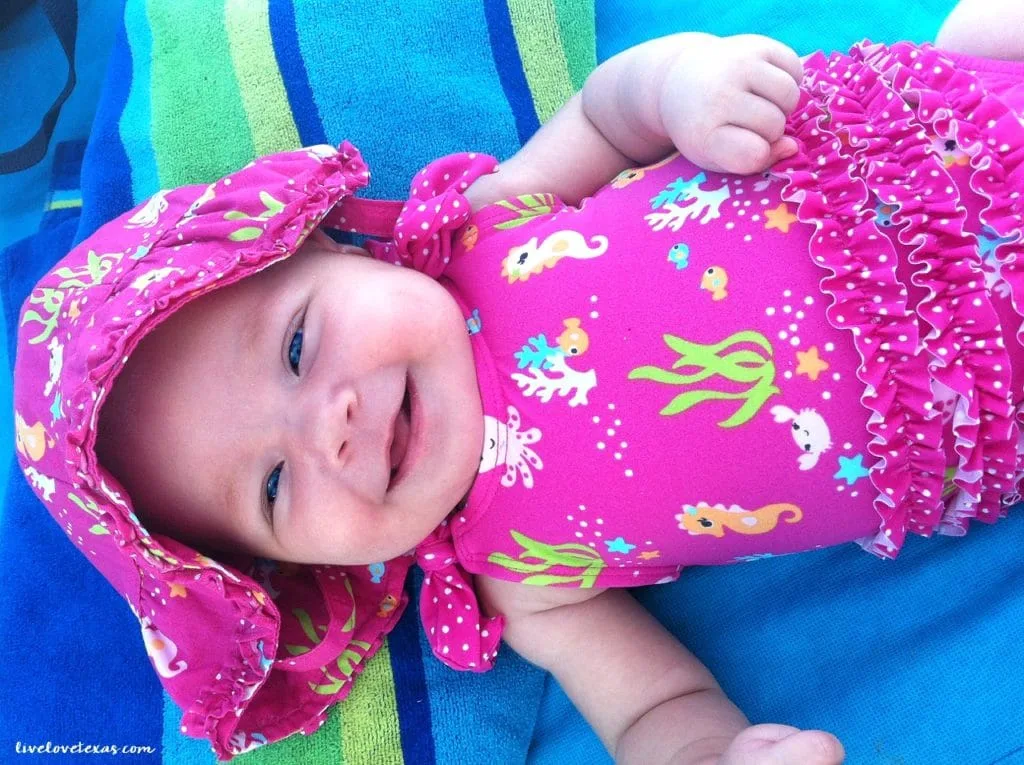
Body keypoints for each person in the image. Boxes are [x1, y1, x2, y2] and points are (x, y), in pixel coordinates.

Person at [13, 1, 1024, 761]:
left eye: (296, 348)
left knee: (989, 35)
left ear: (334, 247)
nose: (329, 428)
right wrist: (714, 752)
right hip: (984, 401)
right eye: (274, 486)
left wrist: (685, 84)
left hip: (932, 152)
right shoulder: (525, 579)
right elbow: (652, 706)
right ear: (302, 574)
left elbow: (611, 116)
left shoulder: (490, 223)